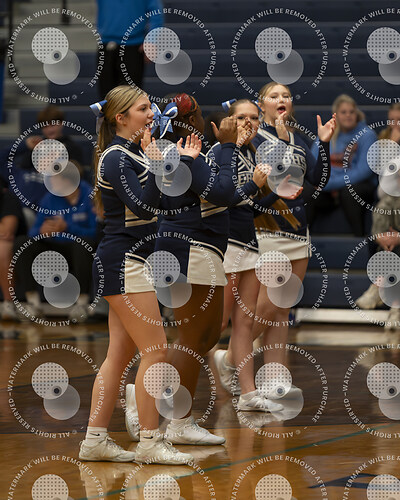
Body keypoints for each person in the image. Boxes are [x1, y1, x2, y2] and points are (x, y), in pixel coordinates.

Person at [79, 85, 196, 464]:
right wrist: (158, 164)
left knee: (118, 355)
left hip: (133, 260)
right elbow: (144, 208)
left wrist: (174, 163)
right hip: (124, 262)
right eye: (143, 108)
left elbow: (164, 202)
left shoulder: (135, 153)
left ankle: (95, 440)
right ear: (121, 117)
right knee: (156, 351)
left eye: (150, 108)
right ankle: (150, 441)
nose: (152, 114)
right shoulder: (116, 157)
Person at [125, 93, 239, 445]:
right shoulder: (185, 155)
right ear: (191, 122)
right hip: (190, 250)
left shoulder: (179, 153)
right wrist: (228, 146)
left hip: (191, 250)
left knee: (206, 337)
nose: (205, 120)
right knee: (192, 339)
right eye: (201, 114)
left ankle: (161, 406)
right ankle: (171, 416)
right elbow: (223, 193)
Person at [213, 82, 335, 400]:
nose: (282, 99)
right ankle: (231, 359)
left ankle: (275, 378)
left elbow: (316, 181)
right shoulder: (254, 137)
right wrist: (280, 142)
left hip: (298, 231)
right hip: (267, 229)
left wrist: (323, 144)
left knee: (282, 310)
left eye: (286, 96)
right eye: (274, 96)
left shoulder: (297, 138)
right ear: (261, 104)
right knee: (265, 308)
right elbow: (272, 181)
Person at [211, 98, 303, 412]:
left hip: (249, 245)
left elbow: (249, 209)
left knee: (245, 324)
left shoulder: (251, 153)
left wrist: (277, 192)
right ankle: (162, 390)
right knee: (214, 327)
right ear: (229, 121)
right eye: (241, 118)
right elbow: (224, 199)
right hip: (226, 247)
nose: (248, 123)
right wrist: (254, 184)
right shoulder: (219, 152)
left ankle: (248, 395)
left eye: (253, 118)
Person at [14, 163, 97, 322]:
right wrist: (41, 231)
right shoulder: (49, 198)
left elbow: (96, 233)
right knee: (22, 243)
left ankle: (82, 304)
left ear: (68, 180)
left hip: (78, 250)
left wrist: (68, 228)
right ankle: (33, 304)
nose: (50, 182)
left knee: (83, 244)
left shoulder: (89, 196)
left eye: (54, 178)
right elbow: (33, 231)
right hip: (53, 248)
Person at [0, 105, 83, 228]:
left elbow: (75, 177)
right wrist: (25, 146)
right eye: (45, 126)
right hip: (14, 212)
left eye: (53, 125)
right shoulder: (21, 172)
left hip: (38, 216)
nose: (49, 129)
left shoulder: (55, 180)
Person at [305, 94, 377, 236]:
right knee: (307, 192)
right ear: (336, 115)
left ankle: (359, 240)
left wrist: (329, 184)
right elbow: (313, 164)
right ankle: (302, 239)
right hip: (328, 189)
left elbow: (365, 170)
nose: (348, 115)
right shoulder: (327, 133)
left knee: (350, 191)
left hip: (356, 186)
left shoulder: (367, 135)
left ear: (357, 114)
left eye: (352, 112)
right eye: (344, 112)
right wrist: (324, 184)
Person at [96, 0, 163, 97]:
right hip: (106, 45)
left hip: (133, 46)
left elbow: (156, 12)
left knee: (131, 98)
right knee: (106, 98)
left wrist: (152, 40)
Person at [0, 182, 26, 321]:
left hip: (17, 248)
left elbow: (6, 231)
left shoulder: (7, 198)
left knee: (3, 248)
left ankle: (8, 304)